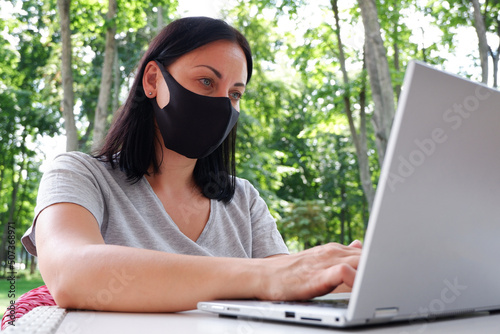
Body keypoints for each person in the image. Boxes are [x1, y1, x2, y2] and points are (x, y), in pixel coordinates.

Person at [21, 16, 361, 312]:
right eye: (207, 82)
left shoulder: (244, 199)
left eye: (235, 94)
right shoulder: (80, 174)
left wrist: (349, 273)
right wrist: (262, 275)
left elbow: (289, 285)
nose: (223, 105)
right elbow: (71, 274)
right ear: (153, 81)